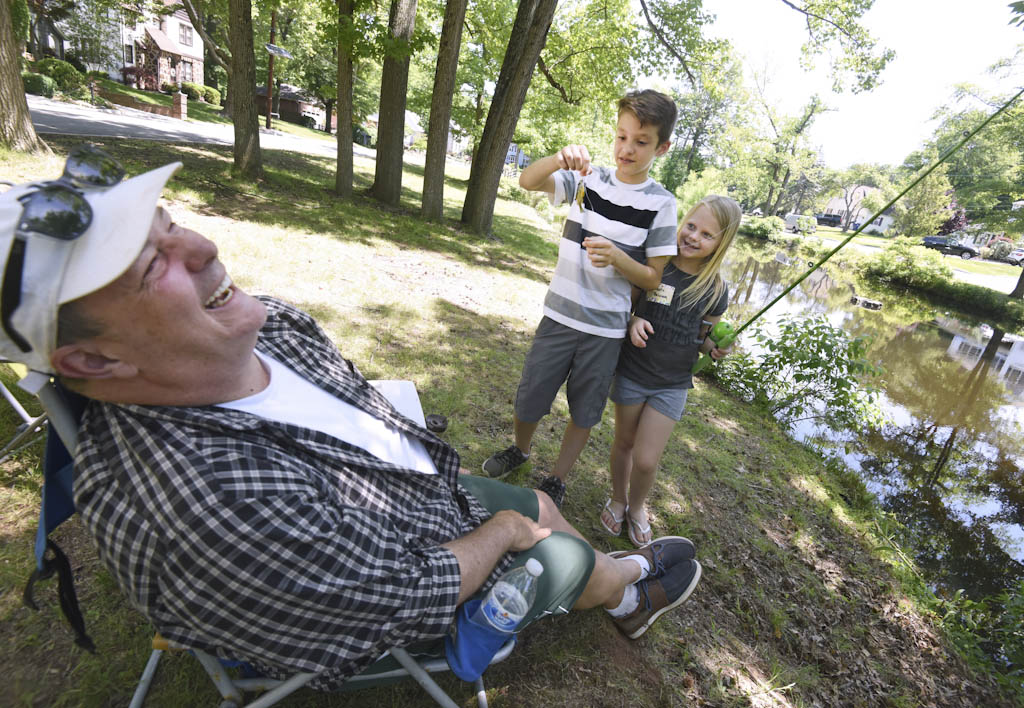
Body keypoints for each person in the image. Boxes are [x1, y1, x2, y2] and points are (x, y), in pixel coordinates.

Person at [0, 146, 702, 689]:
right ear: (92, 363)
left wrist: (499, 505)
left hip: (418, 491)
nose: (204, 249)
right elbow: (407, 593)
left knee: (544, 499)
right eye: (155, 266)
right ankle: (627, 586)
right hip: (422, 567)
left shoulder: (264, 324)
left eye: (172, 223)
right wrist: (507, 532)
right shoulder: (211, 507)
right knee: (565, 550)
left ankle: (607, 576)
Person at [482, 89, 680, 509]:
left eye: (641, 142)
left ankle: (557, 478)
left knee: (584, 412)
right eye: (622, 136)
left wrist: (620, 259)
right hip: (559, 315)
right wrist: (559, 158)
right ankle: (521, 449)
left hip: (605, 330)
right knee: (531, 394)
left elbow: (653, 278)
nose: (627, 148)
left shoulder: (662, 204)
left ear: (661, 147)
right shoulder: (588, 180)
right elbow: (527, 180)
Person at [599, 195, 741, 546]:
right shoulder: (655, 265)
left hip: (673, 383)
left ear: (721, 245)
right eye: (691, 226)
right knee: (624, 443)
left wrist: (715, 348)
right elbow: (623, 306)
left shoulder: (716, 290)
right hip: (633, 370)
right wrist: (632, 321)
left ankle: (637, 506)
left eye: (707, 235)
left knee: (646, 460)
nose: (694, 236)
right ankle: (618, 498)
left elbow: (703, 338)